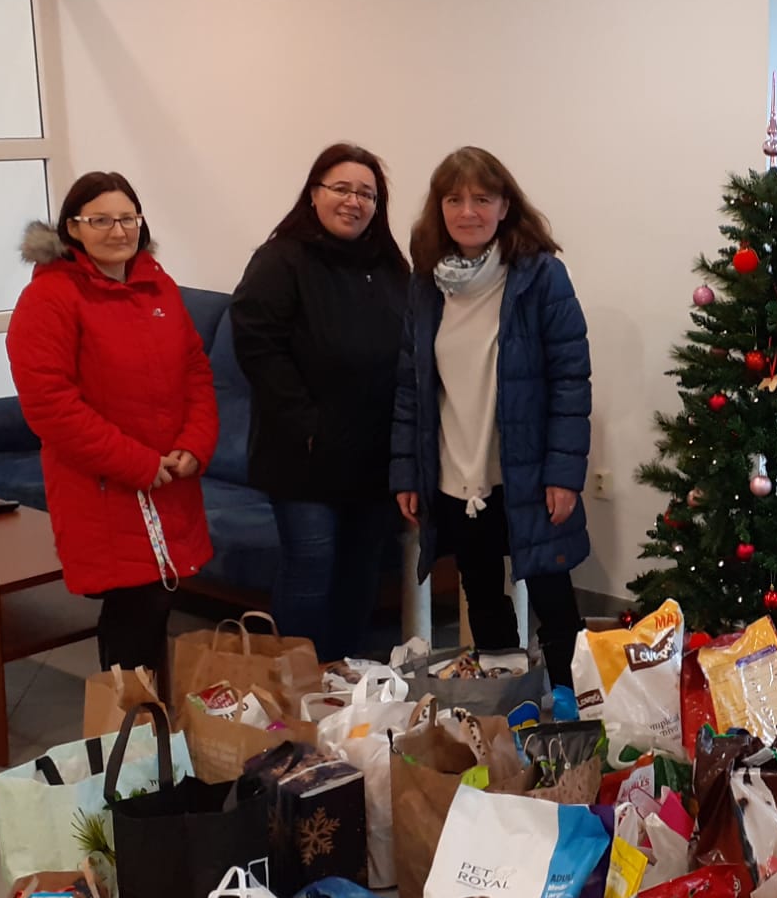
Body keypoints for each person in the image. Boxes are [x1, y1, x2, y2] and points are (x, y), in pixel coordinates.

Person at [391, 146, 591, 688]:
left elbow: (572, 382)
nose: (468, 211)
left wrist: (562, 474)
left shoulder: (541, 277)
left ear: (505, 206)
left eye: (482, 198)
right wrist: (408, 473)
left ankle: (573, 709)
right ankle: (508, 702)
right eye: (454, 199)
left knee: (552, 596)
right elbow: (411, 388)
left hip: (526, 471)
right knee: (480, 590)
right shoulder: (425, 285)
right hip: (456, 471)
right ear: (439, 209)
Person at [7, 172, 216, 685]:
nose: (117, 230)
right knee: (132, 607)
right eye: (99, 220)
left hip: (170, 481)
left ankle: (153, 731)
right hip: (105, 484)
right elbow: (51, 406)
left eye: (127, 218)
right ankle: (130, 738)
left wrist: (195, 443)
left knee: (157, 602)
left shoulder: (157, 285)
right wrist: (138, 463)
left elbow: (195, 370)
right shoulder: (50, 298)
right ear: (72, 229)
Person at [230, 142, 408, 661]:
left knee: (360, 573)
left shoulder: (391, 266)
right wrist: (306, 422)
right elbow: (256, 343)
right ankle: (299, 684)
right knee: (311, 567)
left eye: (367, 194)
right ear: (314, 194)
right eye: (342, 189)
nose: (354, 202)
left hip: (373, 456)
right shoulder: (282, 259)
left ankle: (345, 684)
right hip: (304, 454)